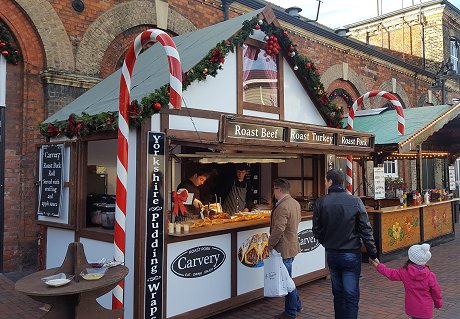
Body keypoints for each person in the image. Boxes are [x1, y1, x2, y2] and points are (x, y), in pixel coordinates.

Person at [312, 168, 378, 319]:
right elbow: (366, 230)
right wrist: (372, 253)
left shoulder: (320, 202)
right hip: (351, 252)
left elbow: (316, 230)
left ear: (330, 182)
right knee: (351, 293)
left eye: (325, 180)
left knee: (338, 292)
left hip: (332, 252)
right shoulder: (355, 202)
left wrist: (326, 242)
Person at [370, 243, 443, 319]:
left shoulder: (405, 272)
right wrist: (438, 304)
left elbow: (390, 273)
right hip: (426, 309)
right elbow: (436, 292)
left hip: (412, 308)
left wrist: (378, 265)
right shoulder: (430, 276)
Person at [268, 178, 302, 319]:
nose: (273, 192)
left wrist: (269, 245)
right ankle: (297, 304)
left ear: (278, 190)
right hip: (292, 245)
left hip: (283, 248)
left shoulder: (282, 207)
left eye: (274, 189)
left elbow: (278, 229)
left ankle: (291, 312)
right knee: (288, 279)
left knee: (287, 283)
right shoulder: (295, 203)